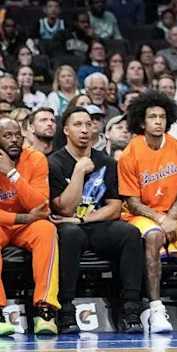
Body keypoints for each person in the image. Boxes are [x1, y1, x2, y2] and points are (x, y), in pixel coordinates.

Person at [117, 92, 177, 334]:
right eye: (152, 117)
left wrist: (170, 218)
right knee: (154, 237)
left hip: (174, 213)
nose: (158, 121)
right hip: (142, 215)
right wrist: (160, 219)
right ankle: (157, 310)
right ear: (141, 122)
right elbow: (132, 201)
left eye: (162, 116)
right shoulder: (130, 153)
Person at [47, 106, 145, 334]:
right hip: (67, 228)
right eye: (77, 125)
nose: (84, 130)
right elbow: (64, 207)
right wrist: (80, 171)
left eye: (88, 125)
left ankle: (131, 308)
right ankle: (66, 309)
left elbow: (114, 208)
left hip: (95, 224)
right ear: (66, 130)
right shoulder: (54, 163)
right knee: (69, 235)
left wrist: (83, 220)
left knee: (129, 233)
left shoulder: (107, 163)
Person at [0, 118, 60, 336]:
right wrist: (23, 218)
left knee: (47, 230)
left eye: (17, 135)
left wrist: (13, 174)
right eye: (7, 136)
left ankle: (44, 309)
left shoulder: (36, 159)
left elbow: (40, 205)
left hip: (25, 224)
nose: (13, 140)